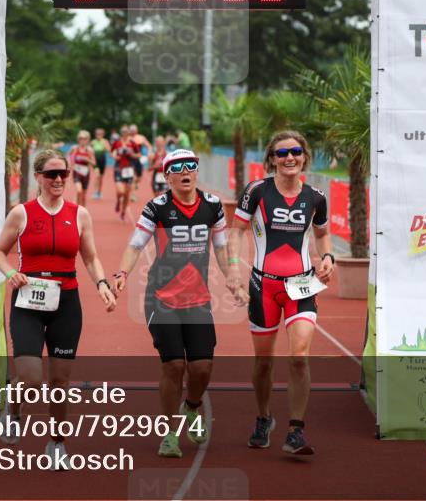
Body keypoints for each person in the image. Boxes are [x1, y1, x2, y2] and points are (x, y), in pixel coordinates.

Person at [0, 149, 117, 468]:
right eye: (52, 174)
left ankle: (57, 441)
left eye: (64, 173)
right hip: (28, 301)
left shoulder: (79, 214)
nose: (59, 179)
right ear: (38, 178)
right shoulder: (21, 213)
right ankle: (15, 411)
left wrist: (102, 283)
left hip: (66, 302)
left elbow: (90, 257)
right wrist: (10, 273)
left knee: (60, 380)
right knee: (31, 377)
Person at [113, 149, 232, 457]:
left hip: (198, 299)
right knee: (174, 365)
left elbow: (221, 248)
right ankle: (170, 432)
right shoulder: (157, 207)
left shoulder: (213, 206)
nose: (185, 171)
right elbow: (135, 244)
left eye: (190, 165)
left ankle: (191, 408)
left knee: (202, 368)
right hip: (161, 298)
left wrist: (231, 277)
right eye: (176, 168)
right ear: (166, 176)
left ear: (196, 170)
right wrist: (122, 273)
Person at [226, 130, 334, 455]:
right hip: (263, 286)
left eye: (296, 152)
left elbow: (323, 234)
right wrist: (233, 268)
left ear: (304, 156)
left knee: (299, 357)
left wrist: (327, 257)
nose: (290, 158)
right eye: (282, 152)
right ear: (272, 158)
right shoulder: (257, 192)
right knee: (263, 362)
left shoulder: (316, 197)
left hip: (301, 286)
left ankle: (296, 430)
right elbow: (237, 231)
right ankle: (263, 417)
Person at [111, 126, 140, 221]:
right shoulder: (117, 143)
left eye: (126, 132)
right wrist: (115, 157)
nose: (125, 134)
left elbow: (139, 154)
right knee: (120, 191)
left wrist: (132, 154)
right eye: (123, 132)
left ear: (129, 133)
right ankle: (118, 201)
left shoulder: (132, 143)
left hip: (129, 169)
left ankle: (123, 213)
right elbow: (112, 152)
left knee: (127, 194)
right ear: (121, 133)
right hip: (118, 168)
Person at [69, 131, 96, 207]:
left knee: (83, 196)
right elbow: (68, 155)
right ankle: (76, 209)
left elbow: (94, 163)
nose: (82, 140)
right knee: (79, 191)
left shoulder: (90, 150)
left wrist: (88, 160)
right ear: (78, 139)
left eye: (85, 138)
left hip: (85, 173)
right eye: (81, 138)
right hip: (77, 172)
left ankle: (83, 211)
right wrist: (71, 164)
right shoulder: (74, 148)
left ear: (88, 140)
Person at [91, 128, 111, 199]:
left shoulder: (105, 141)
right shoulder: (93, 142)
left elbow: (109, 150)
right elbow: (90, 151)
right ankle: (95, 192)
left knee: (101, 178)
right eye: (97, 134)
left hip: (102, 161)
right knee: (97, 176)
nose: (98, 135)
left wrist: (106, 148)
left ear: (103, 135)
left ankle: (99, 192)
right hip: (95, 162)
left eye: (100, 134)